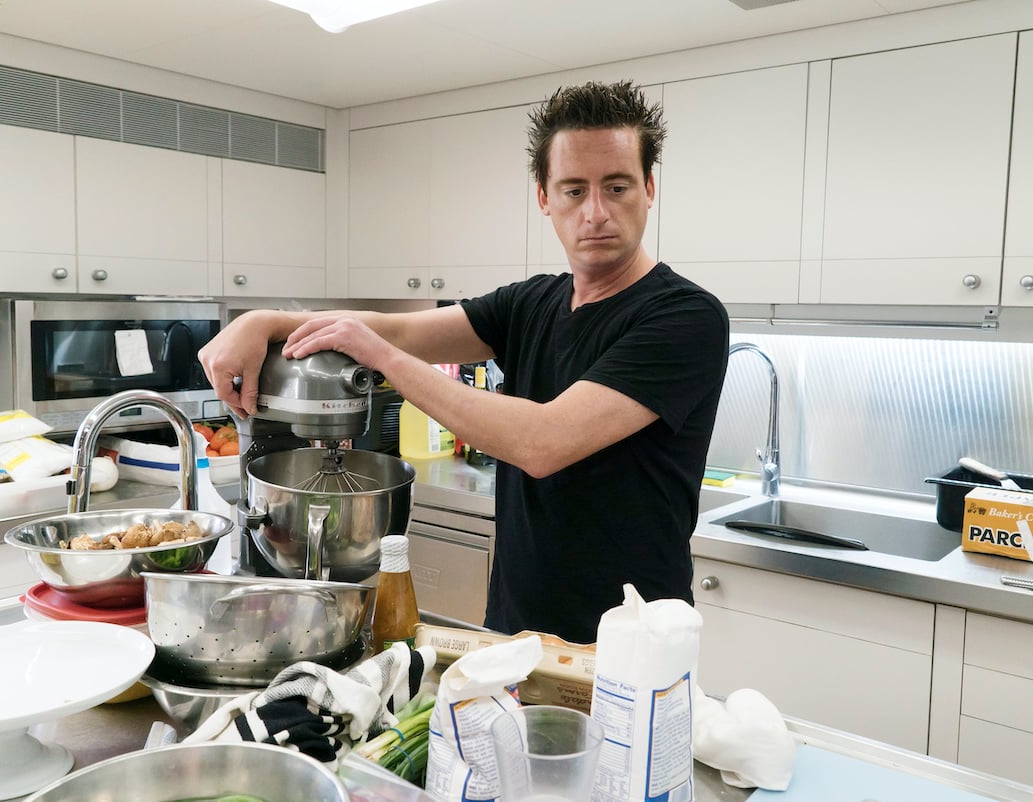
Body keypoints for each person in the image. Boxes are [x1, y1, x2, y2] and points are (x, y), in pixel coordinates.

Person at [199, 80, 730, 644]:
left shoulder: (685, 317)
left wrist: (383, 358)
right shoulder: (531, 302)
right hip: (514, 629)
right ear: (545, 198)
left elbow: (543, 443)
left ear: (648, 189)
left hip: (631, 643)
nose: (595, 212)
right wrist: (263, 321)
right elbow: (401, 329)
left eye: (617, 186)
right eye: (574, 190)